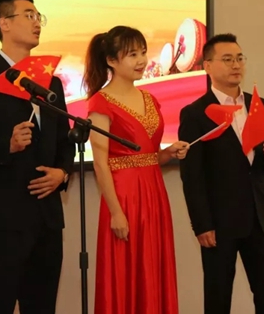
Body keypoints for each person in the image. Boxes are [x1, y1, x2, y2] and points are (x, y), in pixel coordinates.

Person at [0, 0, 75, 314]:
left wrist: (62, 172)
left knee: (42, 306)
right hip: (3, 214)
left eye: (38, 16)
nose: (37, 23)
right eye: (29, 15)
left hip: (47, 214)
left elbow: (65, 140)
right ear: (4, 24)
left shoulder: (51, 82)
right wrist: (5, 145)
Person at [83, 25, 189, 314]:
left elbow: (149, 157)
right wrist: (116, 212)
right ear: (111, 61)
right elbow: (100, 164)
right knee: (125, 274)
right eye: (132, 55)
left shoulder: (150, 99)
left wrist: (167, 153)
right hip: (124, 197)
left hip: (154, 195)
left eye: (143, 52)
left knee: (153, 269)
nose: (141, 60)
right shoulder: (100, 102)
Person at [178, 33, 264, 314]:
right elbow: (192, 175)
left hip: (260, 218)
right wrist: (201, 224)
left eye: (239, 58)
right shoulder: (195, 113)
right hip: (219, 223)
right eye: (227, 59)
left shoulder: (258, 104)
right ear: (207, 66)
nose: (236, 65)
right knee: (218, 298)